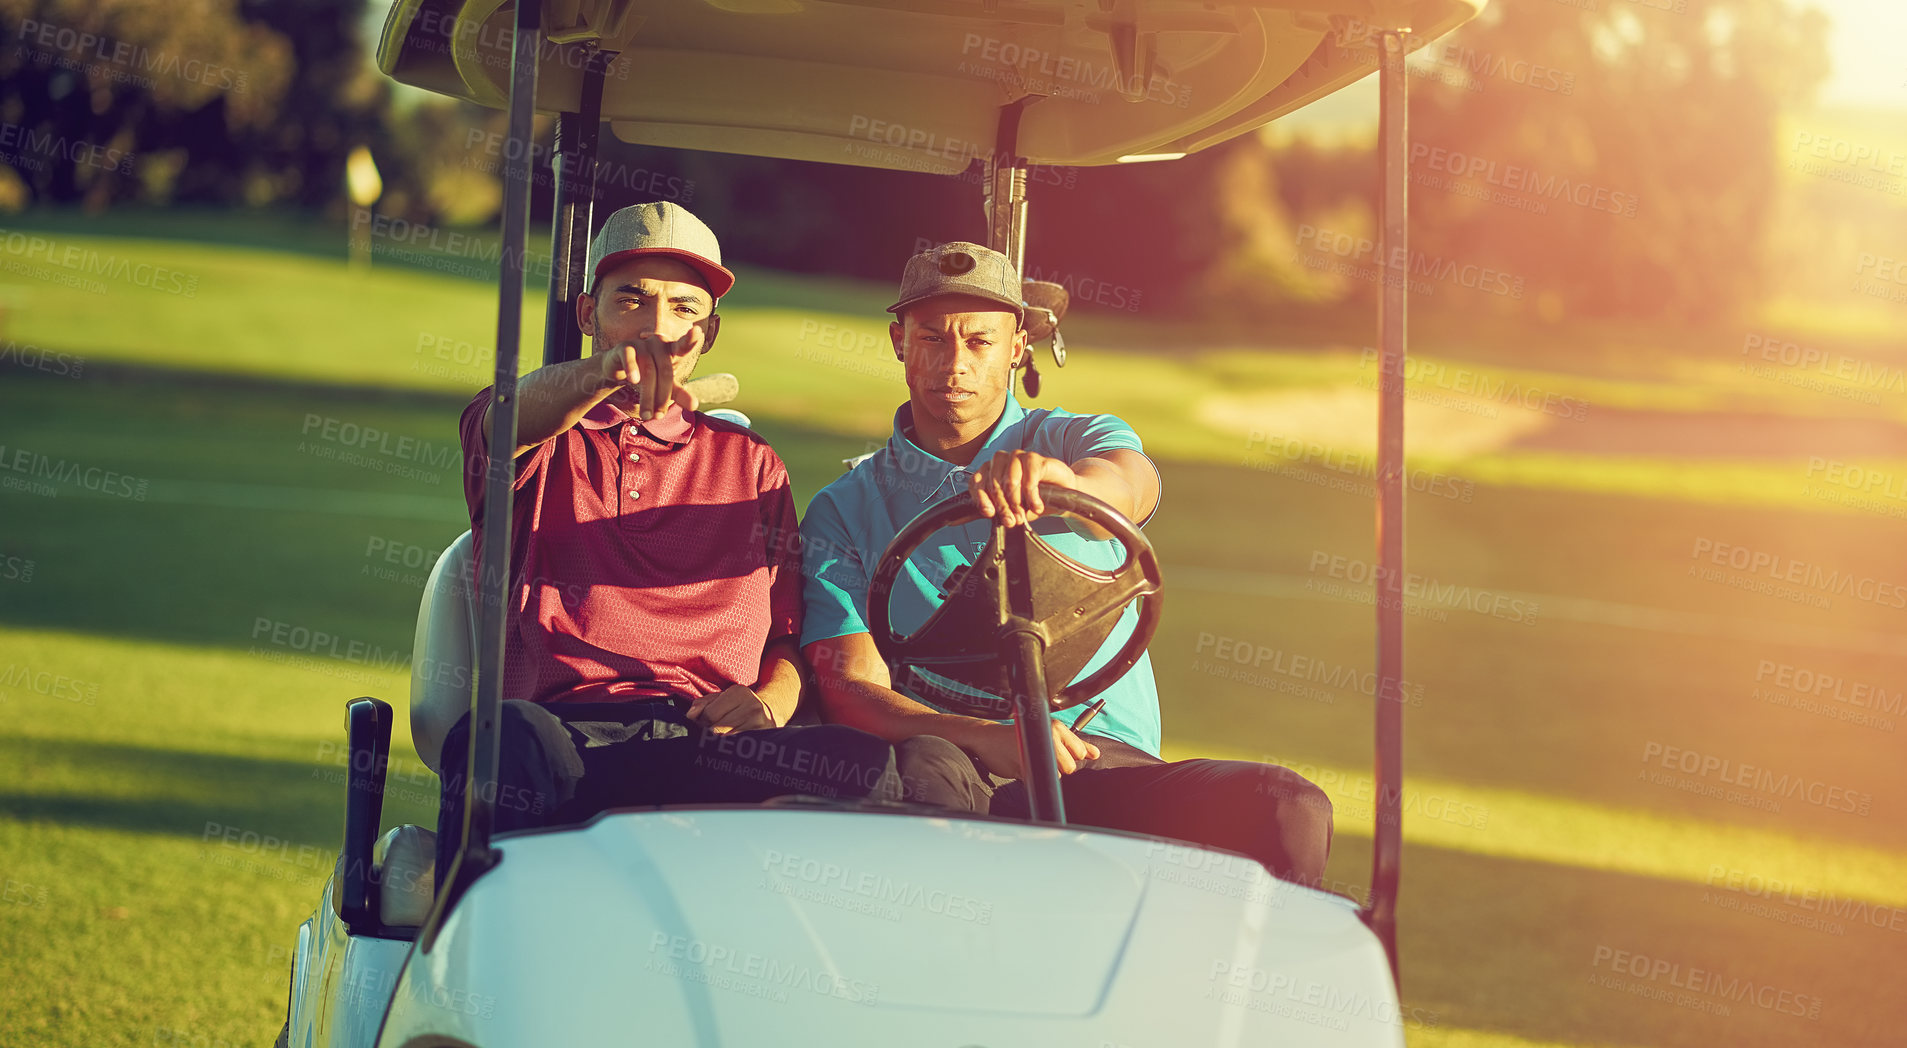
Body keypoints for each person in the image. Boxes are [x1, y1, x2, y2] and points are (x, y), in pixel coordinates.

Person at [798, 241, 1334, 887]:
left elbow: (1130, 486)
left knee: (1287, 807)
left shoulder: (1075, 439)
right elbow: (849, 689)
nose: (954, 363)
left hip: (1096, 763)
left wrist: (1062, 483)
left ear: (1017, 346)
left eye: (979, 342)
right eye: (933, 339)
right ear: (897, 342)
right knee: (918, 782)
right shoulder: (843, 508)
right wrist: (991, 739)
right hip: (957, 765)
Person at [436, 202, 905, 883]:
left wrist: (769, 702)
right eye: (632, 300)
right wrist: (603, 376)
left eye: (683, 308)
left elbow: (785, 638)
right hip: (570, 734)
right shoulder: (534, 436)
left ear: (706, 334)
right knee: (503, 747)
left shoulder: (750, 463)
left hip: (706, 738)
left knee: (866, 768)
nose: (657, 325)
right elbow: (512, 414)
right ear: (586, 315)